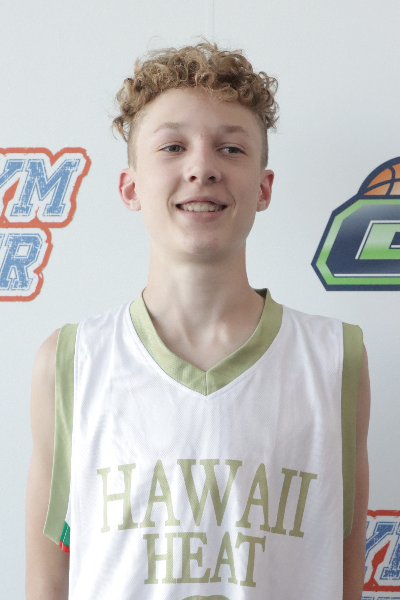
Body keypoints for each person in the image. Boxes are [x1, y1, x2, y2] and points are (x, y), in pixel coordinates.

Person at [25, 41, 370, 599]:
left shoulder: (334, 359)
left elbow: (344, 574)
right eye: (173, 146)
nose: (203, 168)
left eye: (230, 148)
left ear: (263, 187)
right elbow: (47, 582)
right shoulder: (70, 363)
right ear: (131, 186)